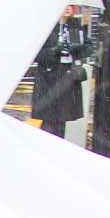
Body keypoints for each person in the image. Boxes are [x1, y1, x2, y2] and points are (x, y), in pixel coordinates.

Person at [29, 7, 88, 142]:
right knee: (49, 123)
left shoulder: (74, 25)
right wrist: (55, 51)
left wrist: (79, 44)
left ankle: (56, 154)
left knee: (61, 122)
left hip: (67, 79)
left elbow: (86, 50)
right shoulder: (46, 26)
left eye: (71, 4)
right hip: (48, 81)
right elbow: (36, 54)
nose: (68, 7)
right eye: (65, 3)